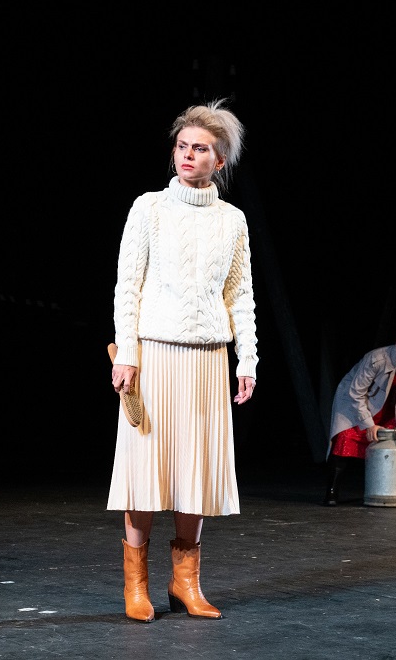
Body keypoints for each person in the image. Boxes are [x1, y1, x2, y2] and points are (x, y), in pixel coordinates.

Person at [108, 98, 258, 623]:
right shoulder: (148, 209)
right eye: (182, 146)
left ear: (220, 160)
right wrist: (127, 354)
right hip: (154, 357)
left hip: (207, 361)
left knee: (194, 472)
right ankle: (136, 586)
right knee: (144, 471)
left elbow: (240, 295)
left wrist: (247, 360)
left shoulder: (233, 221)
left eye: (200, 149)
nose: (188, 155)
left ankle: (185, 583)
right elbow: (128, 288)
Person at [323, 316, 396, 506]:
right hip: (354, 404)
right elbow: (356, 392)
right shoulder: (376, 359)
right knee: (345, 437)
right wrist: (368, 424)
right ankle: (332, 491)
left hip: (388, 408)